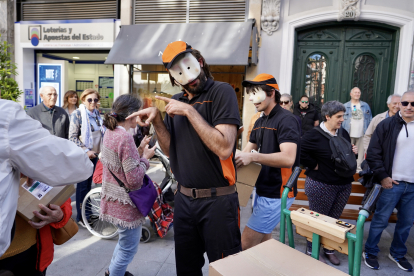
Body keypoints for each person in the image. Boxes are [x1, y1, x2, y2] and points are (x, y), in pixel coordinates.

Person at [127, 41, 241, 276]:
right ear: (173, 77)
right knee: (186, 270)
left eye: (190, 69)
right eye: (180, 74)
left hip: (218, 202)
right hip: (185, 201)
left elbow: (224, 148)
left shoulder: (222, 92)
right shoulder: (176, 101)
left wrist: (189, 111)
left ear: (200, 62)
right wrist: (158, 120)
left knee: (226, 270)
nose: (189, 80)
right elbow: (170, 151)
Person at [0, 100, 93, 263]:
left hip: (33, 251)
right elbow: (76, 165)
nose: (53, 97)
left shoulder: (60, 113)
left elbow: (61, 204)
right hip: (9, 255)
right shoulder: (10, 118)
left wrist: (59, 216)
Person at [235, 74, 301, 251]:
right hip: (262, 189)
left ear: (271, 93)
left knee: (245, 244)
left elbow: (288, 158)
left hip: (278, 192)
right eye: (250, 94)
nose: (251, 99)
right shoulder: (260, 120)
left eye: (256, 93)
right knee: (264, 240)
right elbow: (246, 152)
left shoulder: (287, 119)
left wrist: (254, 157)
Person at [99, 95, 155, 276]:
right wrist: (146, 159)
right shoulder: (125, 137)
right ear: (132, 114)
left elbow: (122, 165)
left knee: (123, 243)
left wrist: (139, 151)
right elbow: (134, 180)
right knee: (128, 248)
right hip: (125, 203)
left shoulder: (110, 131)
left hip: (112, 198)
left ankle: (112, 272)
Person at [300, 101, 357, 265]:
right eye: (339, 116)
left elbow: (345, 155)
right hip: (321, 185)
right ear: (327, 116)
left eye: (343, 116)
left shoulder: (342, 132)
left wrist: (353, 152)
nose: (342, 120)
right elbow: (300, 151)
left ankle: (329, 249)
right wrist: (313, 164)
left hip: (343, 185)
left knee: (333, 220)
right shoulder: (313, 135)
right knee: (318, 221)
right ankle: (312, 250)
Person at [363, 91, 414, 272]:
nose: (409, 107)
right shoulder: (386, 124)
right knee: (380, 220)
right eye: (405, 103)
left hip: (412, 186)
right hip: (391, 184)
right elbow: (374, 153)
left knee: (406, 223)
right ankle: (370, 251)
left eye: (412, 104)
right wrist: (383, 177)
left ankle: (398, 253)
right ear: (399, 104)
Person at [69, 89, 104, 227]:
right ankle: (82, 216)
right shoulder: (77, 114)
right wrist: (86, 150)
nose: (93, 102)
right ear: (83, 100)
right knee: (83, 187)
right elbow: (72, 137)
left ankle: (87, 213)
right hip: (84, 155)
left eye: (95, 100)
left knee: (90, 187)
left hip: (96, 154)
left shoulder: (96, 114)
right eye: (89, 100)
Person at [342, 87, 372, 171]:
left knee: (360, 152)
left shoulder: (365, 105)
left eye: (358, 92)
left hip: (362, 132)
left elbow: (370, 119)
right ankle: (348, 167)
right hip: (348, 132)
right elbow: (341, 119)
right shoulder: (345, 106)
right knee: (348, 151)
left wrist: (369, 132)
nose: (357, 94)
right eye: (355, 92)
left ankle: (358, 169)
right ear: (351, 94)